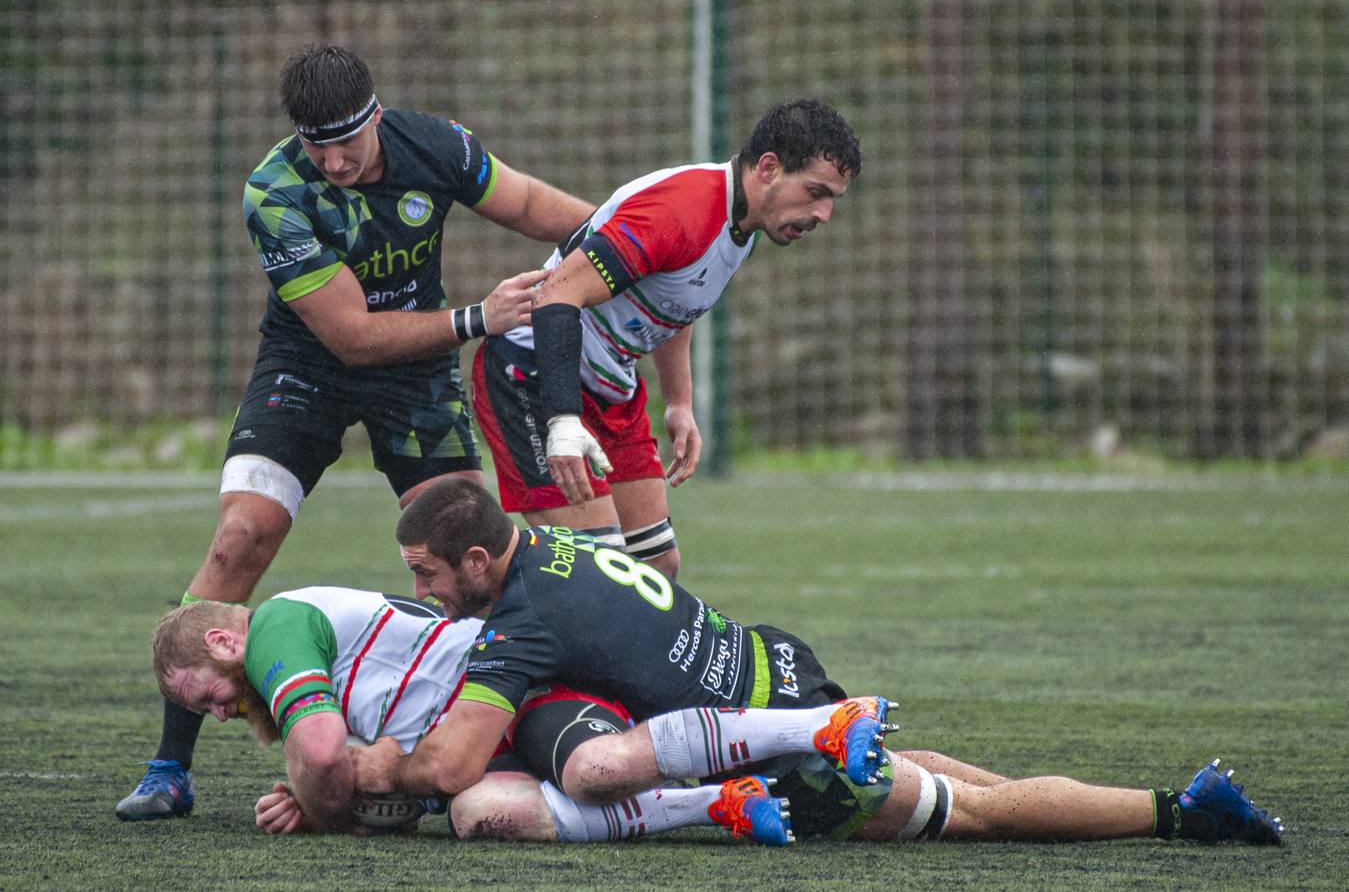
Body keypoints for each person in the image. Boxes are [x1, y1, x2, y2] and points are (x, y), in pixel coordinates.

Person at [116, 43, 595, 821]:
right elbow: (350, 336)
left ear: (376, 116)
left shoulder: (435, 145)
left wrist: (629, 242)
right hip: (310, 364)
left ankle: (477, 739)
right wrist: (478, 318)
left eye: (347, 139)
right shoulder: (274, 191)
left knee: (473, 551)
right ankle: (171, 764)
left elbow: (543, 209)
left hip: (417, 375)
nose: (333, 160)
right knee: (240, 537)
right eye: (316, 143)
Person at [348, 477, 1284, 846]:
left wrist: (371, 771)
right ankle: (1147, 801)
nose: (425, 591)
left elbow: (453, 767)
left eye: (427, 574)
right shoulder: (552, 544)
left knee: (983, 821)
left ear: (477, 560)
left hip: (784, 751)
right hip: (771, 663)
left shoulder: (521, 623)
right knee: (945, 777)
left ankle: (1179, 811)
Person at [472, 99, 862, 579]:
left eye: (832, 200)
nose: (823, 214)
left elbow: (675, 299)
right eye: (815, 192)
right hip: (532, 374)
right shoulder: (682, 210)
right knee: (597, 575)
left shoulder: (744, 222)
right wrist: (562, 421)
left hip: (609, 383)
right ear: (768, 168)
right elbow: (556, 294)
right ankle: (488, 645)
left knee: (657, 566)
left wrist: (679, 402)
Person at [152, 588, 796, 844]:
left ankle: (817, 723)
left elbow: (323, 757)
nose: (222, 714)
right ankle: (719, 801)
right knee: (483, 817)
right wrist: (328, 791)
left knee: (596, 769)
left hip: (515, 697)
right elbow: (372, 779)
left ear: (223, 644)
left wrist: (321, 806)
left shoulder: (275, 626)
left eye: (205, 697)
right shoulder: (305, 672)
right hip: (472, 750)